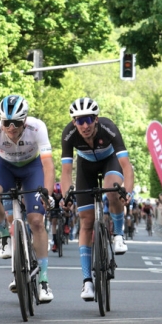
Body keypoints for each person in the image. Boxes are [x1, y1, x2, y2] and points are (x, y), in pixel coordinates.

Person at [0, 95, 55, 302]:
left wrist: (47, 193)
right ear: (0, 121)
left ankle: (44, 281)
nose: (11, 128)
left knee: (36, 221)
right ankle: (3, 235)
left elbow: (48, 165)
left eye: (17, 123)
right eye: (6, 123)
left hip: (32, 168)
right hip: (5, 167)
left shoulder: (37, 128)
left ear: (25, 120)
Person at [59, 97, 134, 302]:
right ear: (74, 121)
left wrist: (126, 191)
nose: (84, 125)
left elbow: (126, 166)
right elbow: (66, 172)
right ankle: (87, 282)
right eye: (79, 120)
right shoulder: (69, 134)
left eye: (89, 119)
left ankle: (118, 234)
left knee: (112, 190)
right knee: (86, 221)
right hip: (86, 167)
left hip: (110, 163)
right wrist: (66, 195)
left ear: (96, 119)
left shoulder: (108, 128)